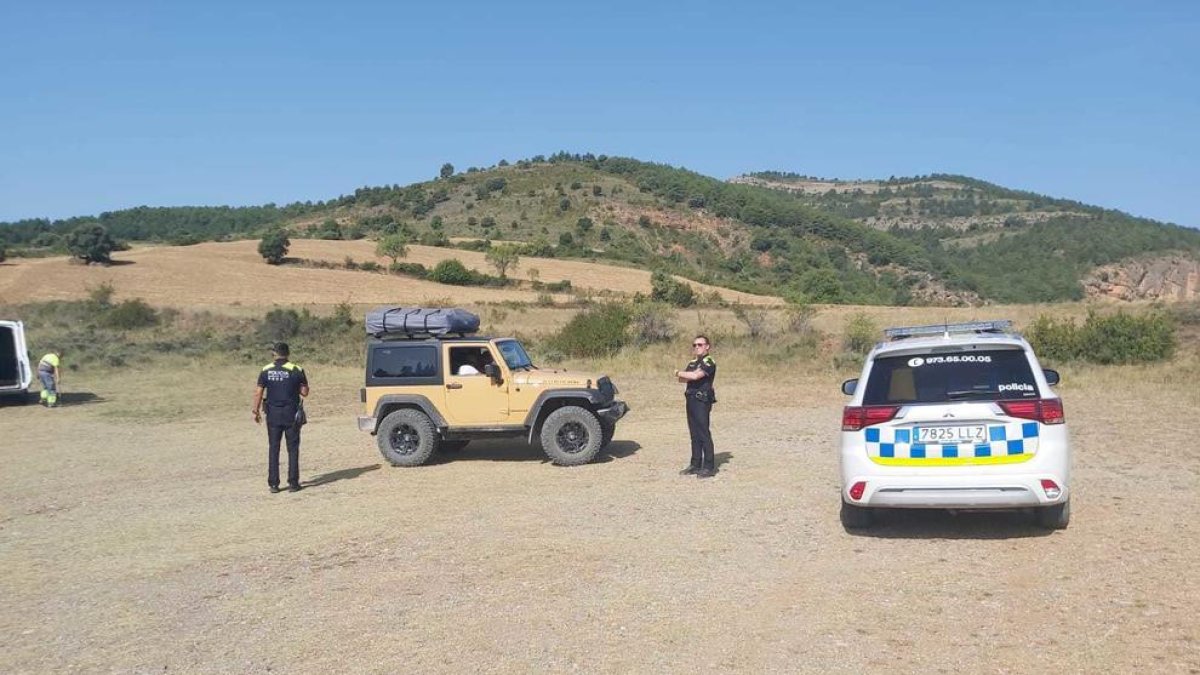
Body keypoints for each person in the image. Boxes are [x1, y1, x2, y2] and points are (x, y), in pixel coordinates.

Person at [252, 342, 309, 493]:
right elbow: (304, 392)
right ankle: (293, 483)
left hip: (273, 414)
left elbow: (258, 392)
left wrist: (255, 411)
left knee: (274, 448)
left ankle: (274, 484)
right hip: (291, 414)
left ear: (274, 354)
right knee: (293, 448)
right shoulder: (297, 369)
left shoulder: (266, 370)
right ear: (288, 353)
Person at [675, 335, 717, 478]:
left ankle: (709, 466)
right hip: (691, 399)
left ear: (707, 346)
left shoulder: (709, 362)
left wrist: (678, 372)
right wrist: (685, 375)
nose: (696, 347)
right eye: (694, 345)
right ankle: (695, 463)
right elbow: (683, 379)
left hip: (702, 400)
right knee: (694, 433)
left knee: (703, 432)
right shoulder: (693, 362)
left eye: (700, 344)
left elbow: (694, 377)